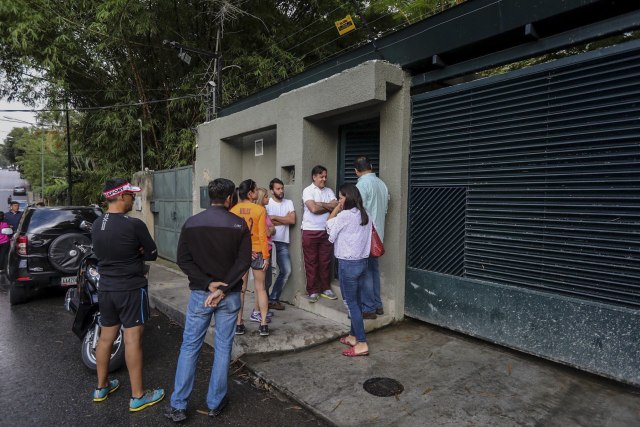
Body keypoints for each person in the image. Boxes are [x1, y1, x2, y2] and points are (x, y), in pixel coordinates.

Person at [165, 178, 251, 423]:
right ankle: (215, 402)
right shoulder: (239, 224)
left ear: (209, 197)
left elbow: (183, 260)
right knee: (223, 347)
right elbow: (243, 262)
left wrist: (206, 284)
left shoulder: (192, 223)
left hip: (201, 295)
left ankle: (178, 405)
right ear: (229, 198)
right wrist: (222, 288)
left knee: (190, 346)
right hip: (230, 294)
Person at [91, 179, 164, 411]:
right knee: (132, 339)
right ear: (121, 196)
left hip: (106, 288)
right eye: (131, 195)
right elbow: (152, 253)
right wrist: (139, 250)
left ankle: (101, 387)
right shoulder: (134, 225)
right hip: (131, 288)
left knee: (105, 337)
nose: (133, 199)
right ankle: (138, 395)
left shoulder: (96, 223)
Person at [326, 183, 372, 357]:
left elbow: (328, 226)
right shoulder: (366, 213)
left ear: (348, 198)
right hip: (362, 263)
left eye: (341, 197)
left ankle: (361, 342)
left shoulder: (344, 215)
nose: (339, 200)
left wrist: (337, 209)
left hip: (348, 264)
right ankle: (353, 336)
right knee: (357, 303)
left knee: (351, 304)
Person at [230, 179, 271, 336]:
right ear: (250, 193)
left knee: (241, 289)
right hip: (258, 251)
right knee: (260, 288)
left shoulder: (233, 210)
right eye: (255, 191)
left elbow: (232, 236)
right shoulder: (259, 210)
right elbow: (262, 235)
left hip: (241, 253)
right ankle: (263, 325)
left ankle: (239, 324)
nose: (256, 193)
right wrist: (266, 256)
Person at [354, 156, 389, 319]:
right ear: (372, 166)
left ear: (356, 171)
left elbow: (358, 213)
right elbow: (385, 210)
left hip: (366, 235)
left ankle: (368, 308)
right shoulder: (382, 184)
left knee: (365, 272)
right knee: (373, 271)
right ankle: (378, 305)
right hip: (378, 235)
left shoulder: (361, 185)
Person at [301, 165, 338, 302]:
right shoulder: (308, 190)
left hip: (326, 231)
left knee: (325, 261)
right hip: (310, 231)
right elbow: (313, 209)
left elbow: (336, 206)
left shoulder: (329, 191)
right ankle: (313, 290)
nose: (324, 179)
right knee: (311, 262)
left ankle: (325, 288)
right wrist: (327, 206)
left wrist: (321, 204)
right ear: (314, 177)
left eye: (325, 176)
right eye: (321, 176)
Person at [265, 178, 296, 310]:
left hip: (282, 242)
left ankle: (273, 299)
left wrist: (275, 218)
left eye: (282, 188)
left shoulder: (289, 202)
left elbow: (292, 220)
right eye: (278, 189)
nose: (281, 191)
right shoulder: (267, 204)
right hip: (269, 242)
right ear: (272, 190)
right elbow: (267, 224)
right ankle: (264, 301)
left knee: (286, 270)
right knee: (266, 273)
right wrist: (285, 219)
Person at [250, 187, 275, 322]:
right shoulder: (259, 212)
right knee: (262, 284)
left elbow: (272, 230)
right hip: (261, 251)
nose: (268, 199)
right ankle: (257, 311)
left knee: (263, 283)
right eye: (265, 196)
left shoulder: (264, 212)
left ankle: (259, 310)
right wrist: (269, 230)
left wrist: (270, 230)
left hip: (267, 249)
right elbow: (266, 232)